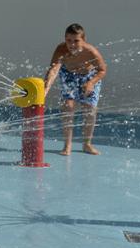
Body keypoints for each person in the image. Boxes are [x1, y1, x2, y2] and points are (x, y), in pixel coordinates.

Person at [43, 23, 107, 156]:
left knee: (89, 108)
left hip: (89, 76)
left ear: (84, 40)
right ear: (65, 39)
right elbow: (54, 69)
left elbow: (102, 70)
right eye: (69, 40)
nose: (72, 44)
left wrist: (91, 83)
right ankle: (67, 146)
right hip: (68, 75)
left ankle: (87, 144)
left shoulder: (91, 52)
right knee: (68, 107)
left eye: (76, 41)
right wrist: (46, 89)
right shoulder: (61, 50)